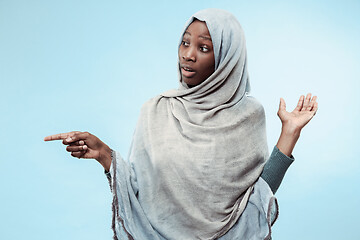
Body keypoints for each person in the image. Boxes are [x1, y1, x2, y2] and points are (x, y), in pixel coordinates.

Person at [44, 9, 318, 240]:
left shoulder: (248, 114)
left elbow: (255, 200)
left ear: (226, 58)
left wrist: (290, 133)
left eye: (204, 48)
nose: (188, 55)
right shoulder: (156, 110)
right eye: (184, 43)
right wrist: (104, 154)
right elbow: (140, 194)